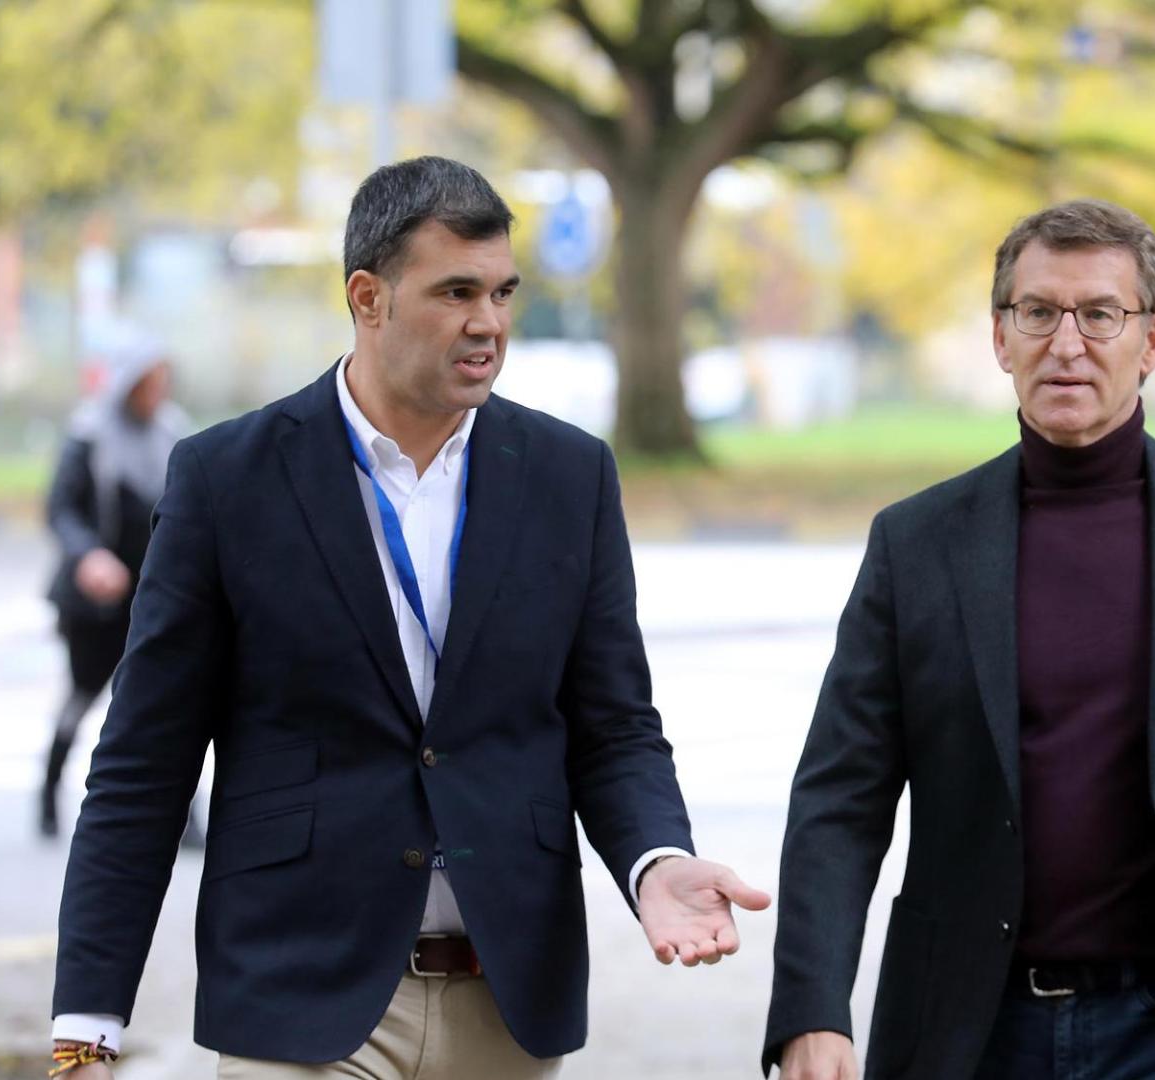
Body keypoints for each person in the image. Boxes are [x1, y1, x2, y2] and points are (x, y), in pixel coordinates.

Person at [48, 157, 768, 1079]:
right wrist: (86, 1025)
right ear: (368, 297)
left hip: (505, 1000)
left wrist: (656, 860)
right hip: (301, 995)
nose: (490, 323)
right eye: (457, 291)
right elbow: (144, 763)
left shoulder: (568, 477)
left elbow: (613, 726)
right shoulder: (227, 479)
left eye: (504, 291)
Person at [764, 200, 1155, 1080]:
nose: (1067, 343)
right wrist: (811, 1009)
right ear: (1002, 338)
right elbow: (840, 796)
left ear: (1152, 342)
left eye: (1100, 315)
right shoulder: (917, 544)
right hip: (974, 1032)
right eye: (1038, 312)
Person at [39, 330, 190, 841]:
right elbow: (60, 508)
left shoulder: (174, 437)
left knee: (171, 704)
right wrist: (88, 556)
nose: (156, 394)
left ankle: (185, 818)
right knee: (82, 697)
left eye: (161, 383)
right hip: (95, 602)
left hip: (153, 599)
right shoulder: (89, 436)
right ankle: (48, 794)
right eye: (147, 384)